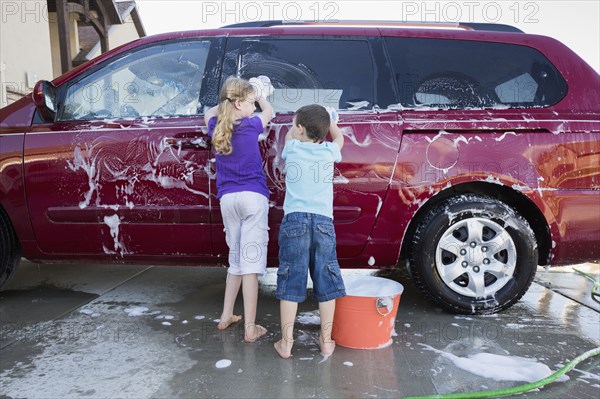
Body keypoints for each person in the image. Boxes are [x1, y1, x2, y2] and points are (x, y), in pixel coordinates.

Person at [274, 104, 346, 359]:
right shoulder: (328, 151)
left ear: (300, 129)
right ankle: (326, 341)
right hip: (323, 222)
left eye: (295, 124)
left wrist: (296, 129)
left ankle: (286, 342)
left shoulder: (292, 149)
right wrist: (332, 122)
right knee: (325, 280)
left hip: (295, 221)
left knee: (291, 280)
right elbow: (339, 138)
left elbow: (288, 136)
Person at [205, 76, 274, 342]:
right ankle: (250, 328)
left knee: (235, 261)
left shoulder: (216, 126)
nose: (253, 107)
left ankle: (226, 316)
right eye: (248, 103)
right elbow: (269, 112)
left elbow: (210, 111)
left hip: (228, 200)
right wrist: (261, 97)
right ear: (237, 103)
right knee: (251, 266)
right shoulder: (250, 124)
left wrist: (226, 104)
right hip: (252, 199)